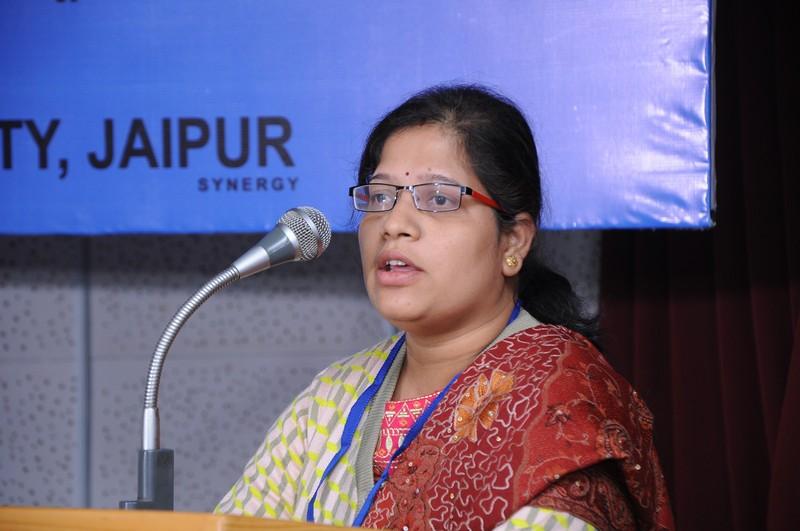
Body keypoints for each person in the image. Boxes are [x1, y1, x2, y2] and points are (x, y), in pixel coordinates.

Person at [215, 85, 674, 530]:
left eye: (438, 198)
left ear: (513, 242)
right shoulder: (332, 396)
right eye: (380, 197)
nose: (394, 223)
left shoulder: (557, 395)